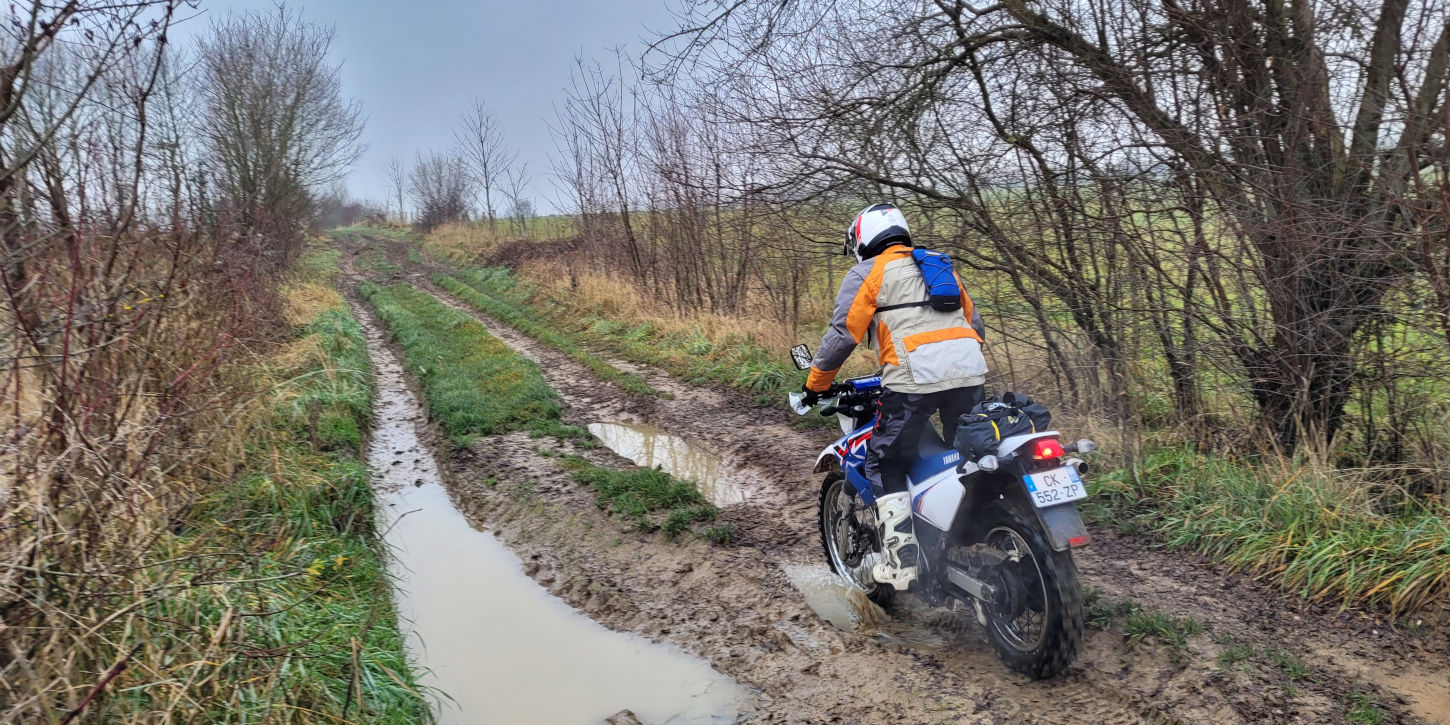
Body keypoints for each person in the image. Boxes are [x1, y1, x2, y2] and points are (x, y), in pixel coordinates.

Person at [800, 203, 987, 590]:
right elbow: (975, 325)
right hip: (969, 370)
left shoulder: (867, 272)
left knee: (885, 461)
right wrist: (956, 361)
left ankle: (902, 563)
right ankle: (969, 535)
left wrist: (815, 384)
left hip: (912, 380)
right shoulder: (938, 265)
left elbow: (843, 335)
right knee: (966, 455)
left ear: (862, 241)